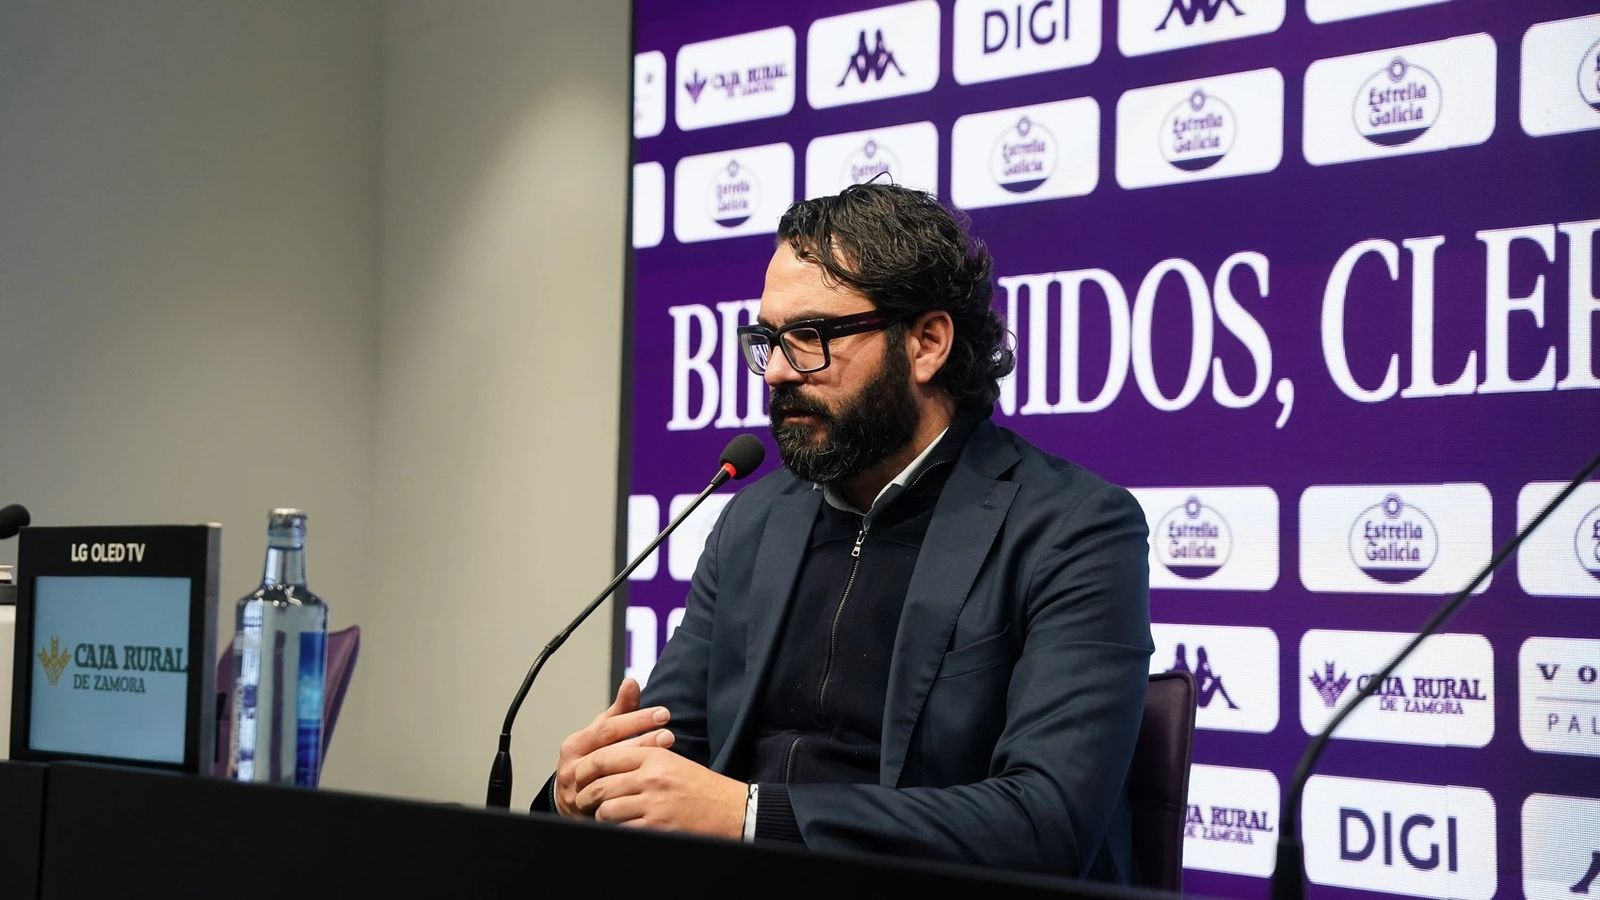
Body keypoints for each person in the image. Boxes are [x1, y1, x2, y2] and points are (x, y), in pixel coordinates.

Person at [538, 182, 1152, 881]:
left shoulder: (1070, 527)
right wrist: (584, 789)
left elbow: (1045, 823)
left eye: (811, 336)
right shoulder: (754, 519)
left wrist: (749, 816)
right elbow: (673, 746)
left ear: (926, 343)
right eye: (768, 339)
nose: (776, 371)